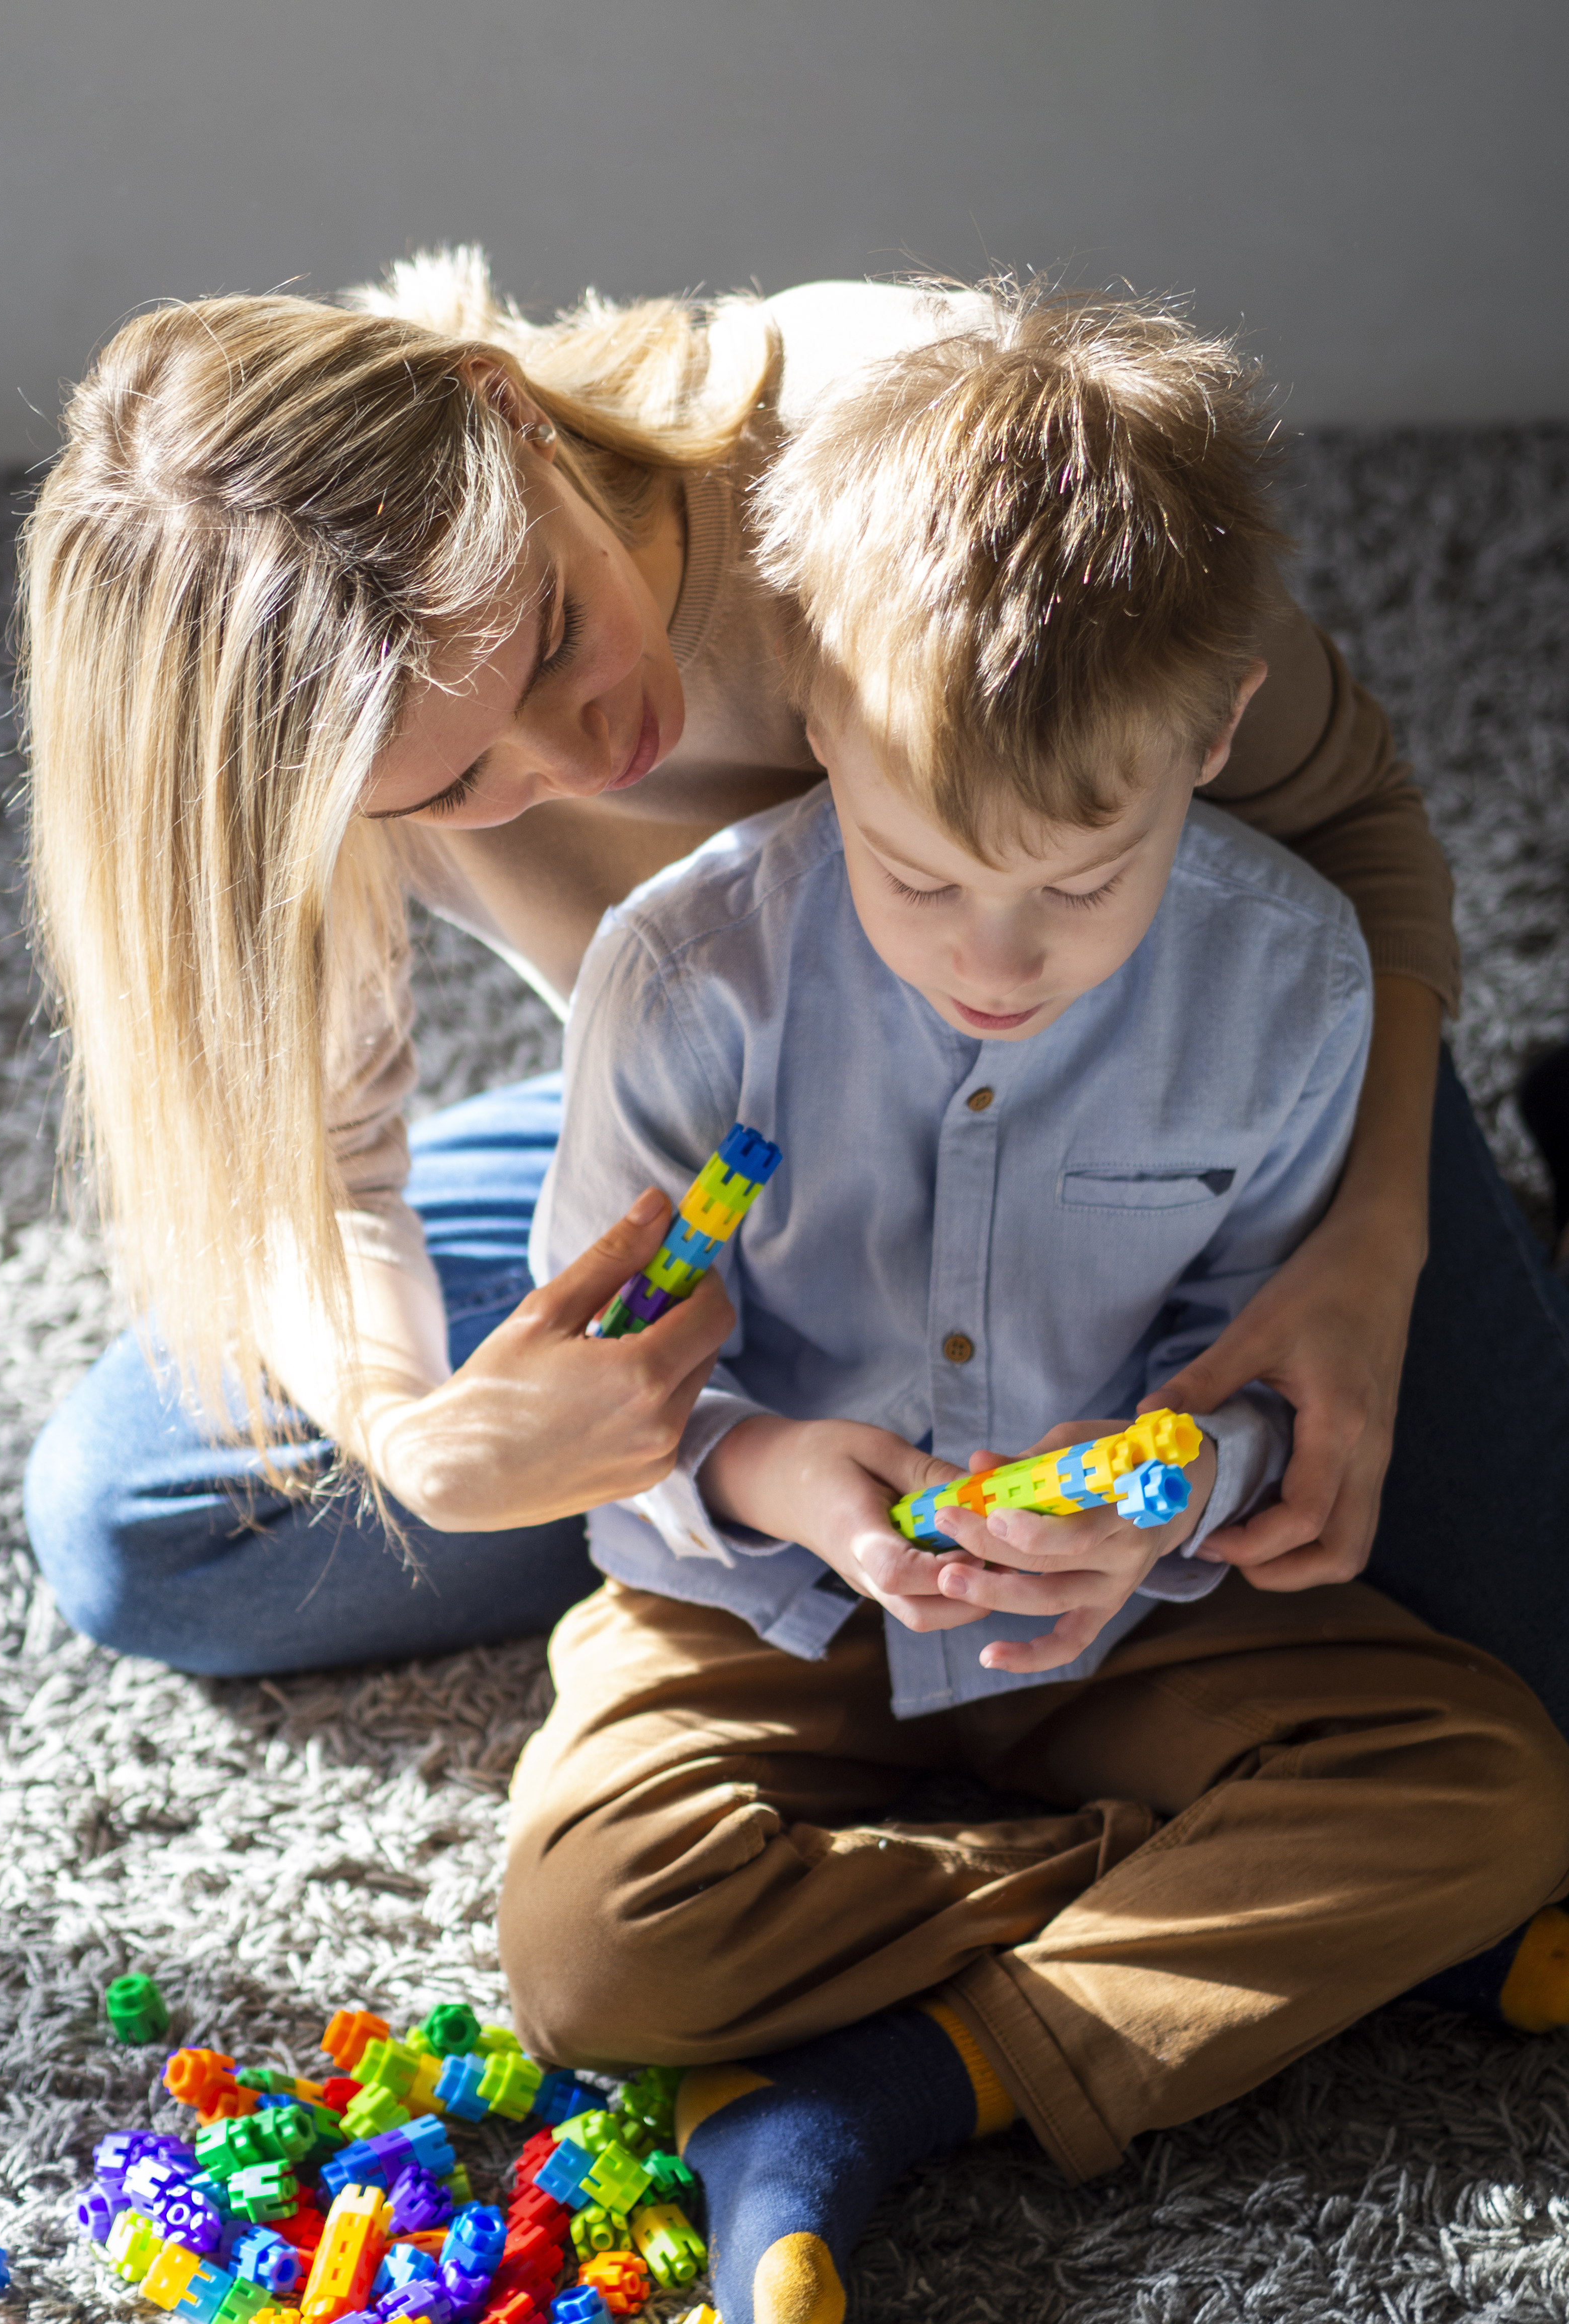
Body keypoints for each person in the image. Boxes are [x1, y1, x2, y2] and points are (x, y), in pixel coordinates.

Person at [19, 250, 1568, 1724]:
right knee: (144, 1525)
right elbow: (330, 1175)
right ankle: (790, 1472)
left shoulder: (916, 441)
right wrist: (422, 1440)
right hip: (742, 1126)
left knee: (1514, 1649)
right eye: (452, 786)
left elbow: (1357, 819)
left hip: (1187, 1124)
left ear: (509, 411)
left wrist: (1378, 1236)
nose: (576, 759)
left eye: (554, 635)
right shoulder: (308, 753)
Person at [501, 302, 1569, 2324]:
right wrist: (780, 1474)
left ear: (1220, 732)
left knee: (1496, 1782)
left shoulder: (1292, 986)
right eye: (917, 879)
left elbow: (1258, 1372)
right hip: (770, 1613)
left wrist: (1177, 1494)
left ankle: (886, 2088)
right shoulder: (688, 976)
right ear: (816, 711)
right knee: (592, 1950)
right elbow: (625, 1405)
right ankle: (1262, 1927)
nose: (1002, 960)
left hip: (1127, 1629)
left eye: (1089, 884)